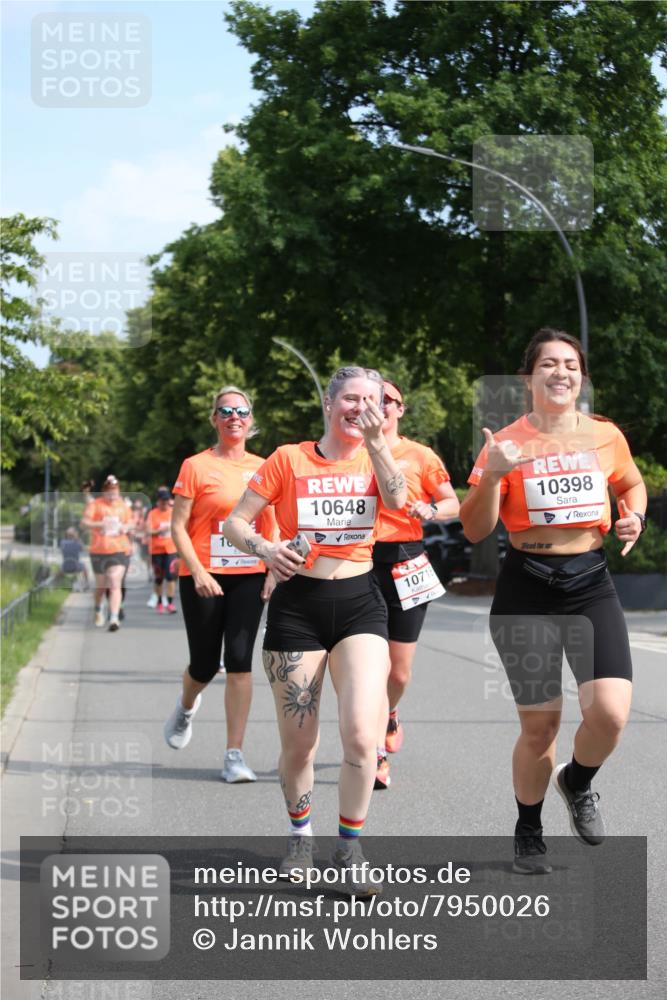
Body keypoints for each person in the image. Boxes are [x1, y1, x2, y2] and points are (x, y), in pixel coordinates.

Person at [459, 328, 647, 874]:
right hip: (528, 588)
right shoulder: (506, 443)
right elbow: (475, 529)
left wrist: (633, 514)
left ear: (581, 377)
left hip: (590, 582)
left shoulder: (605, 436)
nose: (561, 372)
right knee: (540, 727)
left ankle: (578, 780)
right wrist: (493, 475)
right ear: (528, 378)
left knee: (609, 716)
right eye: (549, 364)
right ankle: (529, 828)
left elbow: (630, 484)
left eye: (571, 364)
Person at [224, 366, 408, 895]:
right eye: (349, 399)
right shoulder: (288, 458)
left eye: (369, 401)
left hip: (360, 605)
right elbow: (236, 523)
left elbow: (396, 503)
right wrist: (265, 548)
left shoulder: (379, 455)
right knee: (300, 744)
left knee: (361, 735)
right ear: (329, 404)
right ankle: (300, 836)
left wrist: (378, 446)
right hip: (297, 607)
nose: (359, 408)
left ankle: (349, 848)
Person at [163, 386, 277, 784]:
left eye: (242, 411)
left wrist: (272, 569)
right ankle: (186, 705)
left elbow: (271, 524)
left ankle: (234, 755)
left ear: (251, 420)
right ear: (214, 419)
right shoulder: (195, 466)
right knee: (206, 663)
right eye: (225, 411)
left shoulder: (264, 466)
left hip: (249, 573)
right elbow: (178, 526)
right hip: (203, 575)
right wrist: (197, 571)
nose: (234, 417)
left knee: (241, 660)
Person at [372, 380, 460, 790]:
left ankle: (389, 714)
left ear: (401, 409)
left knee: (399, 672)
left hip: (407, 559)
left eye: (387, 400)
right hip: (359, 561)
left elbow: (453, 502)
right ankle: (374, 753)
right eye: (372, 399)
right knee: (367, 666)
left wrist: (433, 509)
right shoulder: (351, 450)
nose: (380, 405)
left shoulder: (420, 455)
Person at [80, 475, 133, 631]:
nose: (112, 494)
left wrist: (126, 527)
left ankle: (114, 618)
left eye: (115, 491)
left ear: (118, 491)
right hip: (98, 549)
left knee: (114, 581)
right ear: (104, 492)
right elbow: (84, 523)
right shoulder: (96, 505)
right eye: (109, 491)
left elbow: (131, 522)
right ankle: (97, 607)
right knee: (101, 587)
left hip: (120, 549)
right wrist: (99, 524)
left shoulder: (123, 506)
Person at [146, 488, 178, 613]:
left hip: (171, 549)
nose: (165, 503)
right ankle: (160, 602)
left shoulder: (173, 512)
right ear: (158, 501)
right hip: (156, 550)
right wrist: (159, 531)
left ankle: (169, 603)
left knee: (170, 577)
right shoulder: (153, 514)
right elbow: (148, 531)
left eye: (167, 500)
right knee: (159, 578)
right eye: (162, 501)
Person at [59, 526, 89, 590]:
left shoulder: (62, 542)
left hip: (65, 566)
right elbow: (84, 549)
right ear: (75, 534)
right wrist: (77, 538)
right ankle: (86, 584)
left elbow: (62, 551)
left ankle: (60, 583)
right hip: (76, 566)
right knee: (85, 568)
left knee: (59, 568)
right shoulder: (77, 542)